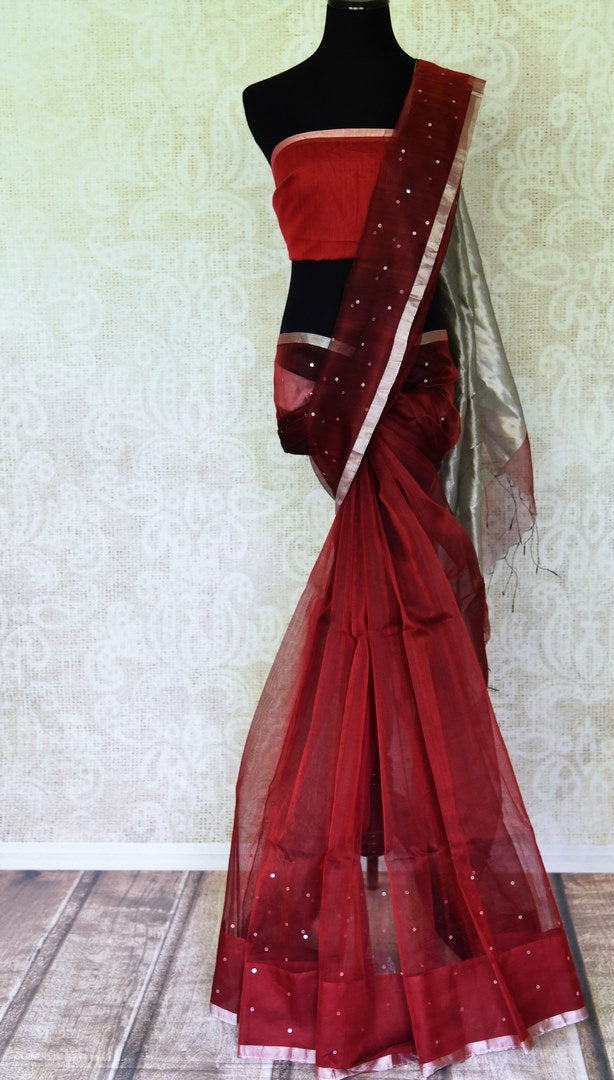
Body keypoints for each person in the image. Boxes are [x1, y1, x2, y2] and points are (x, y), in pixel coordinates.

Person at [209, 2, 588, 1075]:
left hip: (416, 377)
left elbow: (443, 274)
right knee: (392, 609)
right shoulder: (267, 102)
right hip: (323, 377)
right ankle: (401, 896)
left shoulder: (442, 103)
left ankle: (411, 887)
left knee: (404, 610)